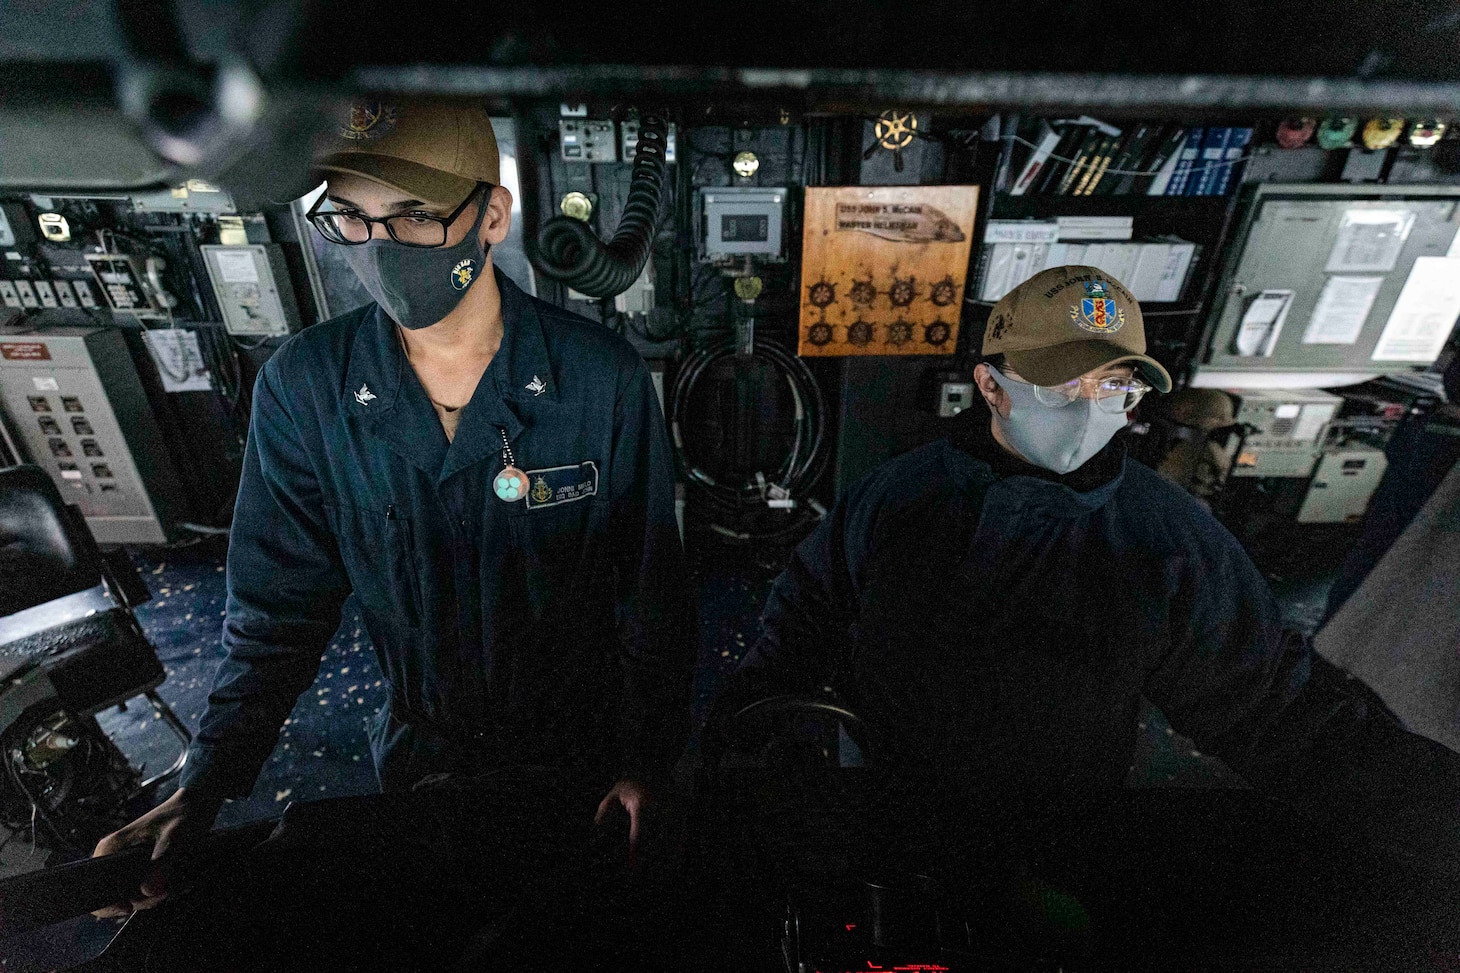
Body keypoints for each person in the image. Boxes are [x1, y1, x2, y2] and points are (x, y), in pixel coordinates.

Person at [713, 265, 1460, 955]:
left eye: (1113, 386)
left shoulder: (1166, 541)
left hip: (1049, 839)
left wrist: (1436, 809)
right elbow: (798, 626)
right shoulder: (899, 499)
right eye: (1061, 384)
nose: (1090, 407)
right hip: (880, 814)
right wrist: (730, 759)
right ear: (991, 385)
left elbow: (1285, 709)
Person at [93, 99, 696, 918]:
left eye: (414, 214)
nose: (380, 247)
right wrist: (209, 780)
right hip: (420, 754)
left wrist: (647, 760)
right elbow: (277, 611)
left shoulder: (599, 378)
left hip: (578, 759)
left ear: (492, 216)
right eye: (351, 216)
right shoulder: (305, 388)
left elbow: (652, 595)